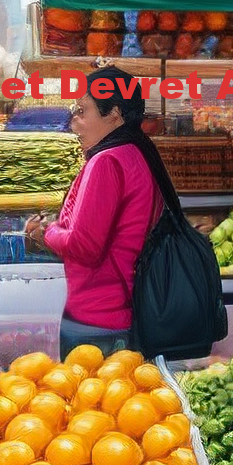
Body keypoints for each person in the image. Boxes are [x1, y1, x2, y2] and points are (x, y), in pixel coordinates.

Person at [25, 66, 170, 356]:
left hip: (97, 319)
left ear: (113, 115)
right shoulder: (137, 154)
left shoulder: (107, 162)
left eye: (82, 111)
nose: (74, 123)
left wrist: (48, 231)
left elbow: (85, 245)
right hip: (121, 312)